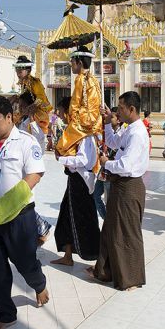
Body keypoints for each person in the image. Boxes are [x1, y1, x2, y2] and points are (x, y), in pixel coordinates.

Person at [0, 96, 50, 329]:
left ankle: (39, 285)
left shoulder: (26, 142)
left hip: (19, 216)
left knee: (26, 263)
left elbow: (34, 176)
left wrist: (6, 207)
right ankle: (7, 314)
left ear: (9, 117)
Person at [87, 91, 148, 291]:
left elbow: (126, 165)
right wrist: (107, 122)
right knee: (111, 229)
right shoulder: (128, 129)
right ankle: (104, 271)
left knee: (128, 233)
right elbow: (113, 142)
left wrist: (107, 163)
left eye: (121, 108)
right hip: (120, 186)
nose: (118, 111)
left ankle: (131, 278)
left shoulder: (138, 133)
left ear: (132, 109)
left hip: (129, 186)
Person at [51, 92, 101, 267]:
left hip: (80, 180)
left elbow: (85, 160)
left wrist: (62, 159)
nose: (59, 115)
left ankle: (97, 258)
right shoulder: (71, 132)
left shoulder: (83, 134)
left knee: (83, 218)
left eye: (61, 111)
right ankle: (68, 254)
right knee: (66, 215)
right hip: (73, 180)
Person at [16, 91, 53, 246]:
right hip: (18, 164)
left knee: (24, 202)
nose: (21, 108)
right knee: (20, 201)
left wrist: (31, 122)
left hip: (29, 166)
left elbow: (39, 143)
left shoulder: (35, 124)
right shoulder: (21, 121)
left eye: (24, 106)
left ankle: (41, 227)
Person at [54, 46, 102, 158]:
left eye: (72, 62)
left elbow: (75, 104)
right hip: (95, 122)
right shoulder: (93, 78)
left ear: (79, 63)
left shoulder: (80, 78)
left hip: (84, 121)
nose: (71, 65)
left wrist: (72, 121)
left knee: (61, 148)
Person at [14, 55, 53, 136]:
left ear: (28, 70)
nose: (18, 74)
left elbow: (40, 98)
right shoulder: (23, 84)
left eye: (20, 72)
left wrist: (29, 108)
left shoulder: (35, 82)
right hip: (28, 114)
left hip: (38, 115)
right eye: (17, 72)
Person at [95, 105, 120, 219]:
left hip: (112, 172)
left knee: (109, 201)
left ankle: (110, 223)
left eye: (112, 118)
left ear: (118, 120)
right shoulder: (106, 132)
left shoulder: (122, 133)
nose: (110, 120)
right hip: (104, 171)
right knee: (95, 196)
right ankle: (106, 219)